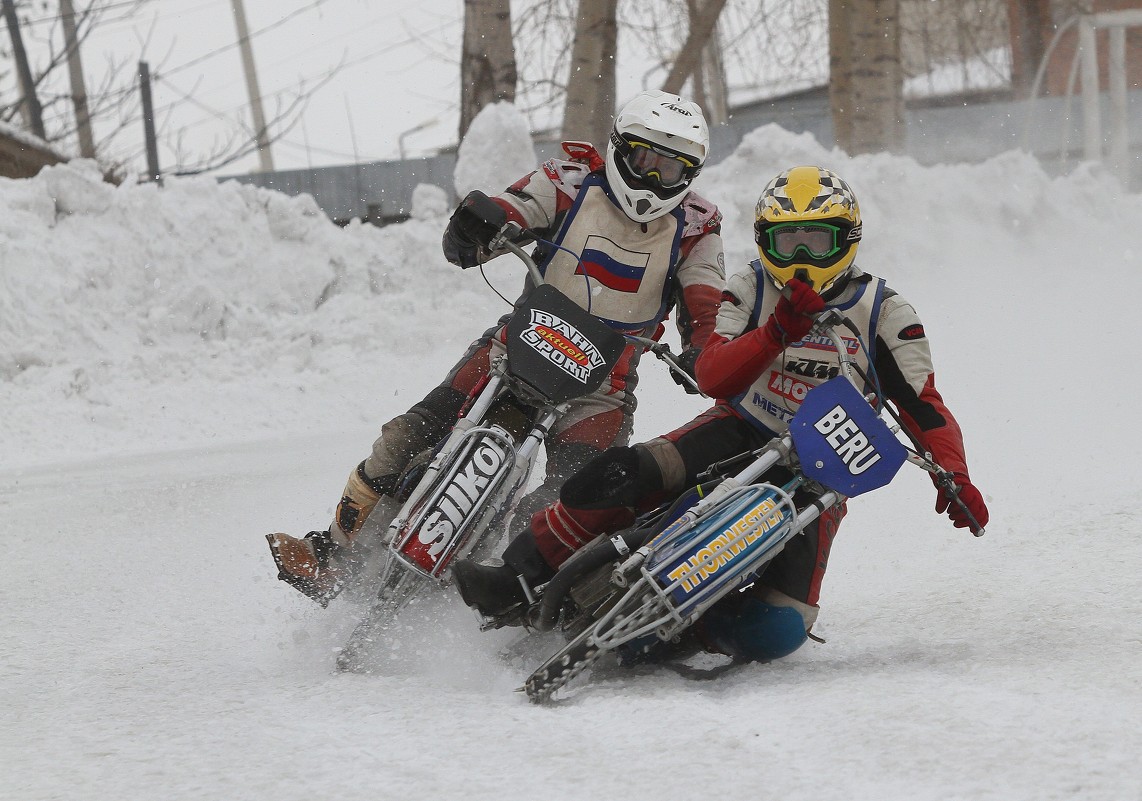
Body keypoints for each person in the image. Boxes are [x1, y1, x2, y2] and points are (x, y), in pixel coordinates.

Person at [453, 165, 990, 663]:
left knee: (784, 625)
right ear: (766, 242)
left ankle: (687, 636)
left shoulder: (886, 312)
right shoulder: (751, 288)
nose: (802, 258)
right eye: (789, 242)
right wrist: (776, 331)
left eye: (817, 241)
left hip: (821, 467)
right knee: (619, 474)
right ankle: (517, 577)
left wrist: (955, 475)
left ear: (846, 242)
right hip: (740, 427)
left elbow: (925, 406)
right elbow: (713, 375)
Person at [267, 90, 727, 606]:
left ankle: (516, 598)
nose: (652, 178)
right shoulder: (568, 181)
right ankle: (333, 554)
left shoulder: (697, 227)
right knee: (401, 439)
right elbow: (518, 205)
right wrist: (478, 225)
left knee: (573, 501)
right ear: (620, 148)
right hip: (515, 349)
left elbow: (708, 299)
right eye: (644, 158)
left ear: (690, 174)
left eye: (670, 168)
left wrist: (705, 350)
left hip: (603, 386)